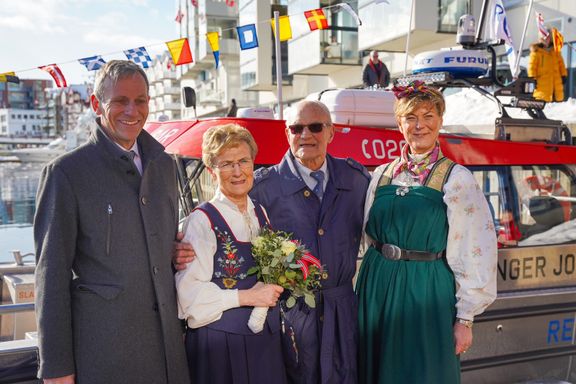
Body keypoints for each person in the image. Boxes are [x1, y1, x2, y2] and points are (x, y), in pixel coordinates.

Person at [174, 100, 370, 384]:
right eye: (296, 128)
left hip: (312, 326)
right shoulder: (251, 196)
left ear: (331, 132)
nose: (238, 171)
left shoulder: (354, 181)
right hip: (265, 332)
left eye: (243, 162)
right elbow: (190, 294)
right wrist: (175, 249)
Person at [34, 60, 189, 384]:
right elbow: (51, 277)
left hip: (167, 355)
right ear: (96, 104)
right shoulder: (66, 173)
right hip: (105, 355)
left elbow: (157, 240)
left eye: (141, 100)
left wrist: (175, 252)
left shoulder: (165, 166)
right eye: (120, 101)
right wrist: (57, 368)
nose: (132, 110)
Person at [356, 81, 497, 383]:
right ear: (399, 124)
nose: (419, 125)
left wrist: (465, 318)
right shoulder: (381, 174)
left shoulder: (457, 179)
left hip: (427, 289)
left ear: (440, 121)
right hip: (377, 285)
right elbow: (363, 238)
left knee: (424, 371)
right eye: (411, 118)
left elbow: (477, 249)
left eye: (428, 116)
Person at [176, 123, 287, 383]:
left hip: (263, 344)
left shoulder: (260, 211)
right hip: (220, 349)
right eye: (226, 164)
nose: (237, 172)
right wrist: (247, 296)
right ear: (212, 171)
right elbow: (188, 300)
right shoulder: (202, 221)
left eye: (243, 161)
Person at [528, 30, 567, 102]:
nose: (546, 39)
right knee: (544, 106)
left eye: (548, 37)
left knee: (558, 108)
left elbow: (561, 64)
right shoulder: (536, 52)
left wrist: (563, 75)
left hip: (556, 86)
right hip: (542, 87)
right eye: (544, 37)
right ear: (540, 39)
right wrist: (532, 79)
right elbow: (532, 68)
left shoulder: (556, 51)